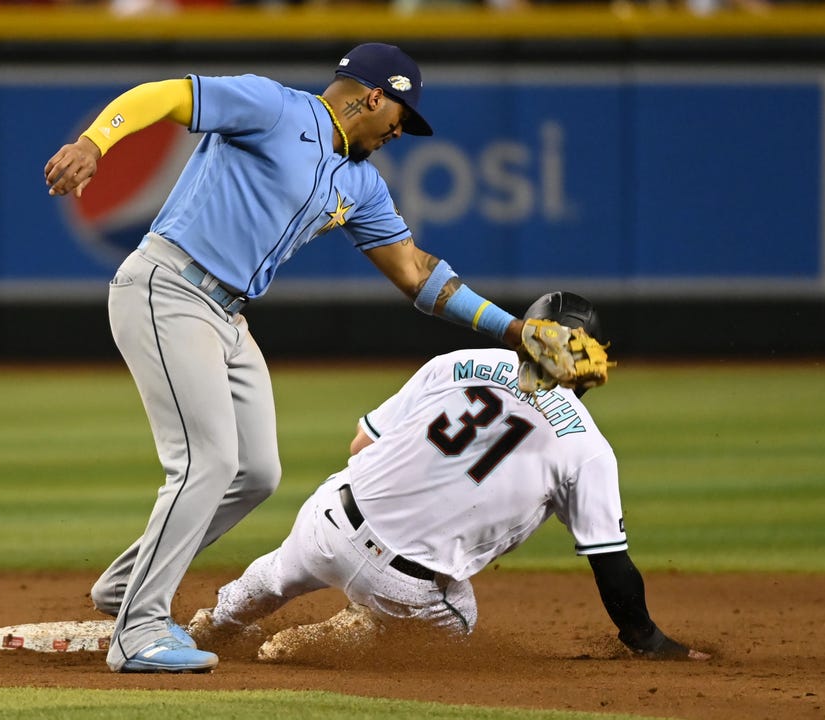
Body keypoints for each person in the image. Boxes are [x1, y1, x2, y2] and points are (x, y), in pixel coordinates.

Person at [43, 43, 602, 673]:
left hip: (227, 316)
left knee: (255, 472)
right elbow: (166, 94)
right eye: (401, 116)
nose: (400, 131)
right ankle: (138, 630)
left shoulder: (361, 182)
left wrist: (517, 331)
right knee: (208, 459)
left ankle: (125, 587)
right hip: (167, 286)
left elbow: (416, 271)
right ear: (373, 95)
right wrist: (97, 142)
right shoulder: (274, 107)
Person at [187, 292, 709, 663]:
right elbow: (610, 564)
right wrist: (646, 639)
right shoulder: (587, 448)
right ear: (590, 358)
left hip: (327, 524)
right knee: (460, 622)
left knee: (282, 569)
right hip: (405, 588)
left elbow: (361, 443)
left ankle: (215, 623)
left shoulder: (459, 362)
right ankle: (326, 639)